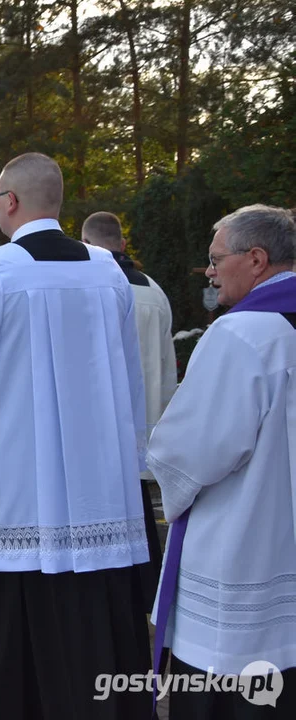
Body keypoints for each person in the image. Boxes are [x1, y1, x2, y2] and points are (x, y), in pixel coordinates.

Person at [0, 153, 150, 719]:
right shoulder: (107, 271)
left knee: (5, 629)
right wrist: (131, 458)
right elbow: (129, 375)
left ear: (11, 201)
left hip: (14, 481)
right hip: (100, 486)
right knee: (93, 615)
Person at [147, 205, 296, 718]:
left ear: (256, 259)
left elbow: (189, 453)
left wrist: (162, 466)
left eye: (216, 259)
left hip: (243, 552)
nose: (209, 271)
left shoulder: (242, 335)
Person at [82, 210, 177, 606]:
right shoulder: (154, 290)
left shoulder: (92, 286)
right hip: (147, 424)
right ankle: (148, 590)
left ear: (86, 244)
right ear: (122, 244)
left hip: (103, 431)